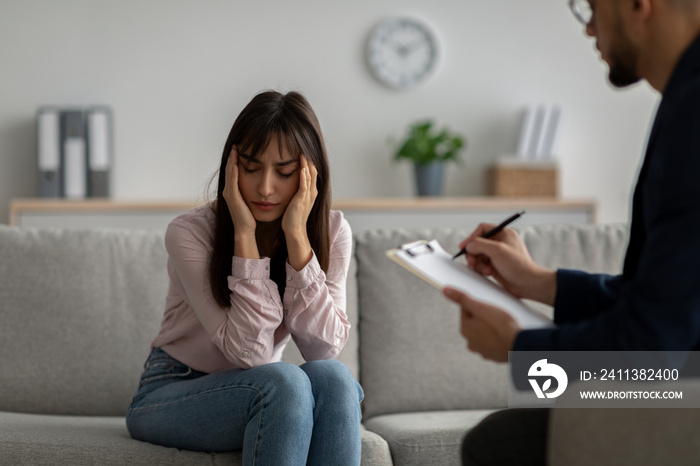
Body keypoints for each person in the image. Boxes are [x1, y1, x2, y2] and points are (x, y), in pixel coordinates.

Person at [442, 0, 700, 464]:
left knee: (499, 442)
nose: (589, 29)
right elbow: (667, 303)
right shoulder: (683, 100)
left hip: (684, 387)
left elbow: (650, 352)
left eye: (592, 8)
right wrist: (539, 282)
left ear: (639, 6)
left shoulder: (692, 116)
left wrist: (521, 349)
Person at [125, 90, 363, 465]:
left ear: (309, 175)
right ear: (232, 166)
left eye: (284, 173)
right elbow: (249, 354)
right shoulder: (189, 232)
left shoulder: (333, 232)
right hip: (173, 388)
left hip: (273, 393)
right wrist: (243, 236)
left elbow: (323, 350)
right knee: (284, 383)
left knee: (333, 377)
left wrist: (298, 238)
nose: (265, 187)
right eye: (251, 168)